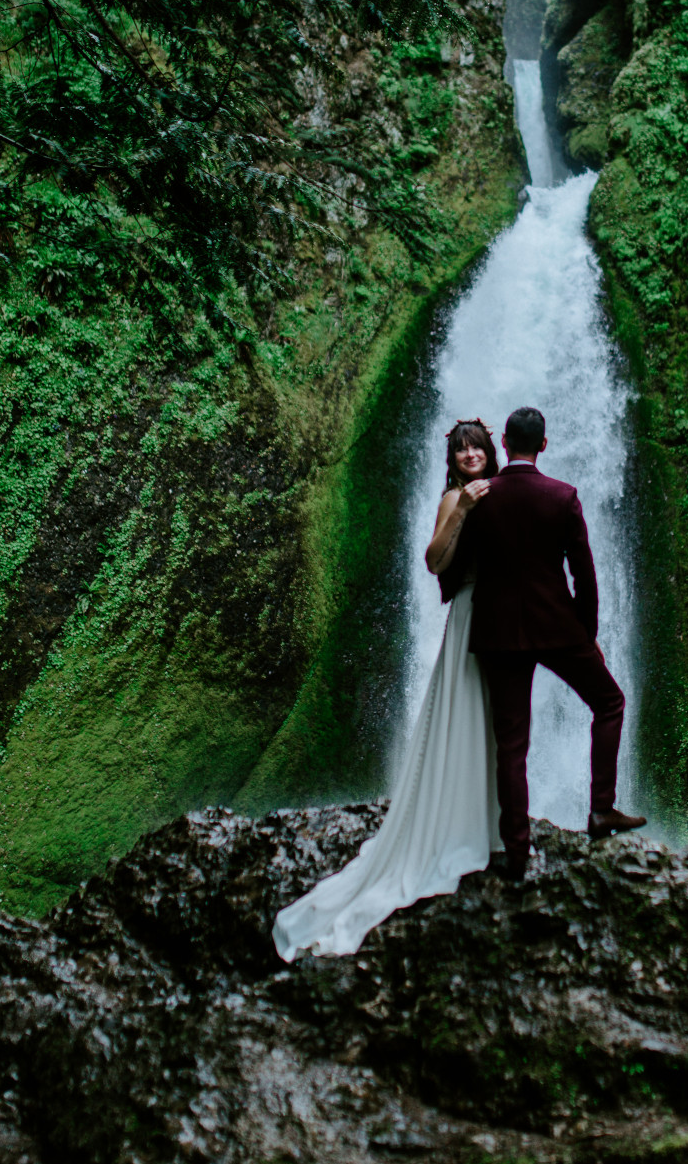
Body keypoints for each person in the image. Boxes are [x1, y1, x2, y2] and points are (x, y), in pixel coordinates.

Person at [271, 419, 501, 960]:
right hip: (471, 613)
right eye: (462, 447)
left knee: (497, 721)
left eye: (477, 446)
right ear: (455, 457)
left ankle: (489, 826)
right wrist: (463, 509)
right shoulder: (453, 498)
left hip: (504, 615)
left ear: (491, 450)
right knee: (464, 712)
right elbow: (433, 560)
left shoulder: (506, 488)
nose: (470, 454)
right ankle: (455, 829)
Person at [447, 404, 644, 881]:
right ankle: (601, 810)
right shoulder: (563, 496)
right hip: (557, 629)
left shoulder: (478, 498)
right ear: (544, 445)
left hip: (498, 634)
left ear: (504, 447)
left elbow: (458, 564)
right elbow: (585, 575)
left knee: (511, 746)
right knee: (610, 703)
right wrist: (588, 635)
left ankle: (516, 853)